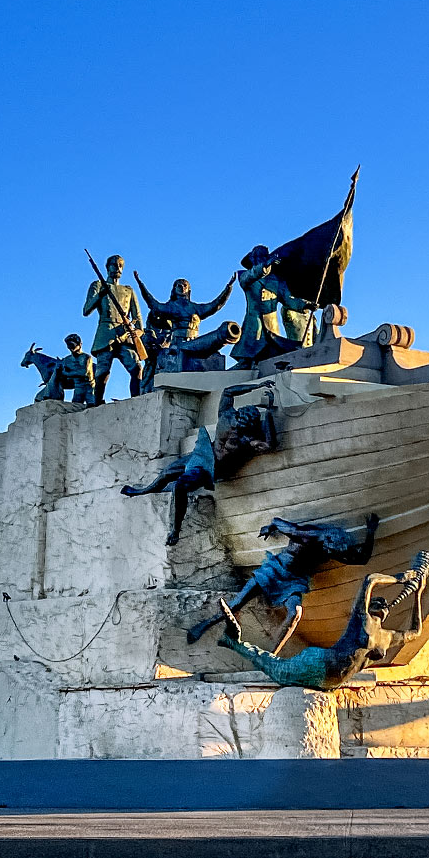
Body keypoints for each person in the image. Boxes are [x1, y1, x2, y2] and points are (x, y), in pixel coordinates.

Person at [212, 551, 429, 690]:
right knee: (276, 667)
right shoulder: (362, 618)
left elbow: (415, 632)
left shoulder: (386, 637)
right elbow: (370, 580)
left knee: (277, 667)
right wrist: (400, 578)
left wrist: (418, 593)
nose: (384, 605)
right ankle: (232, 641)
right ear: (371, 606)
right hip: (319, 664)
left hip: (332, 680)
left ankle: (232, 641)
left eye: (384, 605)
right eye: (378, 602)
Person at [187, 512, 380, 646]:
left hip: (295, 580)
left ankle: (273, 652)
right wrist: (272, 527)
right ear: (326, 542)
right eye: (330, 551)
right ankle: (204, 625)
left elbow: (362, 559)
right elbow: (279, 521)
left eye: (333, 553)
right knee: (238, 602)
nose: (331, 555)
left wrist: (370, 532)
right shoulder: (307, 536)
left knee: (295, 612)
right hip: (275, 570)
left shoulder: (335, 546)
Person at [120, 382, 279, 544]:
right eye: (241, 417)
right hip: (203, 454)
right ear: (239, 414)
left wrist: (270, 413)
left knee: (179, 485)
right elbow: (228, 391)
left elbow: (270, 445)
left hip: (212, 468)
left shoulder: (247, 440)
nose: (241, 422)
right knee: (167, 473)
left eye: (246, 421)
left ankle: (175, 531)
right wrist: (257, 386)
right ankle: (144, 490)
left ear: (250, 424)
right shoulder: (226, 416)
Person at [131, 271, 235, 392]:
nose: (182, 286)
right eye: (178, 285)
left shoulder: (195, 308)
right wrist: (141, 285)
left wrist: (228, 288)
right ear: (174, 289)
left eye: (185, 285)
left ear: (189, 290)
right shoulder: (171, 306)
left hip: (196, 342)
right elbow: (153, 304)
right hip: (178, 344)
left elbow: (215, 305)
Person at [230, 245, 316, 368]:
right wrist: (265, 265)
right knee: (246, 361)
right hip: (254, 325)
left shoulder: (277, 281)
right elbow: (250, 276)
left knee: (275, 357)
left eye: (264, 256)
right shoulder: (245, 276)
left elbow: (289, 300)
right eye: (259, 257)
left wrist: (305, 305)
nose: (261, 259)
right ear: (253, 260)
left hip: (272, 327)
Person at [82, 254, 143, 404]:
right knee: (102, 372)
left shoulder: (128, 290)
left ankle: (137, 400)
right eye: (114, 265)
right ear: (107, 267)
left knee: (136, 368)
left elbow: (139, 322)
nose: (118, 268)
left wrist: (134, 333)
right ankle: (97, 402)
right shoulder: (98, 285)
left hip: (124, 335)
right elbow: (86, 310)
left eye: (121, 266)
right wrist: (100, 295)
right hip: (105, 333)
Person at [21, 334, 95, 405]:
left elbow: (83, 372)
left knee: (92, 405)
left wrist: (66, 373)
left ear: (80, 344)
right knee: (76, 406)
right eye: (68, 346)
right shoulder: (67, 359)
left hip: (89, 388)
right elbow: (60, 372)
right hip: (78, 389)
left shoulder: (85, 357)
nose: (70, 348)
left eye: (72, 345)